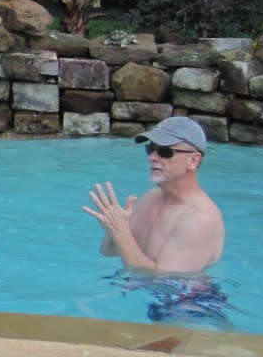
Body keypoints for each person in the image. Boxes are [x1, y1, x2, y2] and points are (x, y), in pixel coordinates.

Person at [84, 116, 225, 276]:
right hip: (138, 287)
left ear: (193, 160)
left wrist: (120, 231)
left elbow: (161, 280)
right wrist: (112, 230)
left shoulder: (200, 218)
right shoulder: (150, 198)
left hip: (184, 292)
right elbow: (110, 252)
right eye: (150, 149)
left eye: (165, 152)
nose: (152, 157)